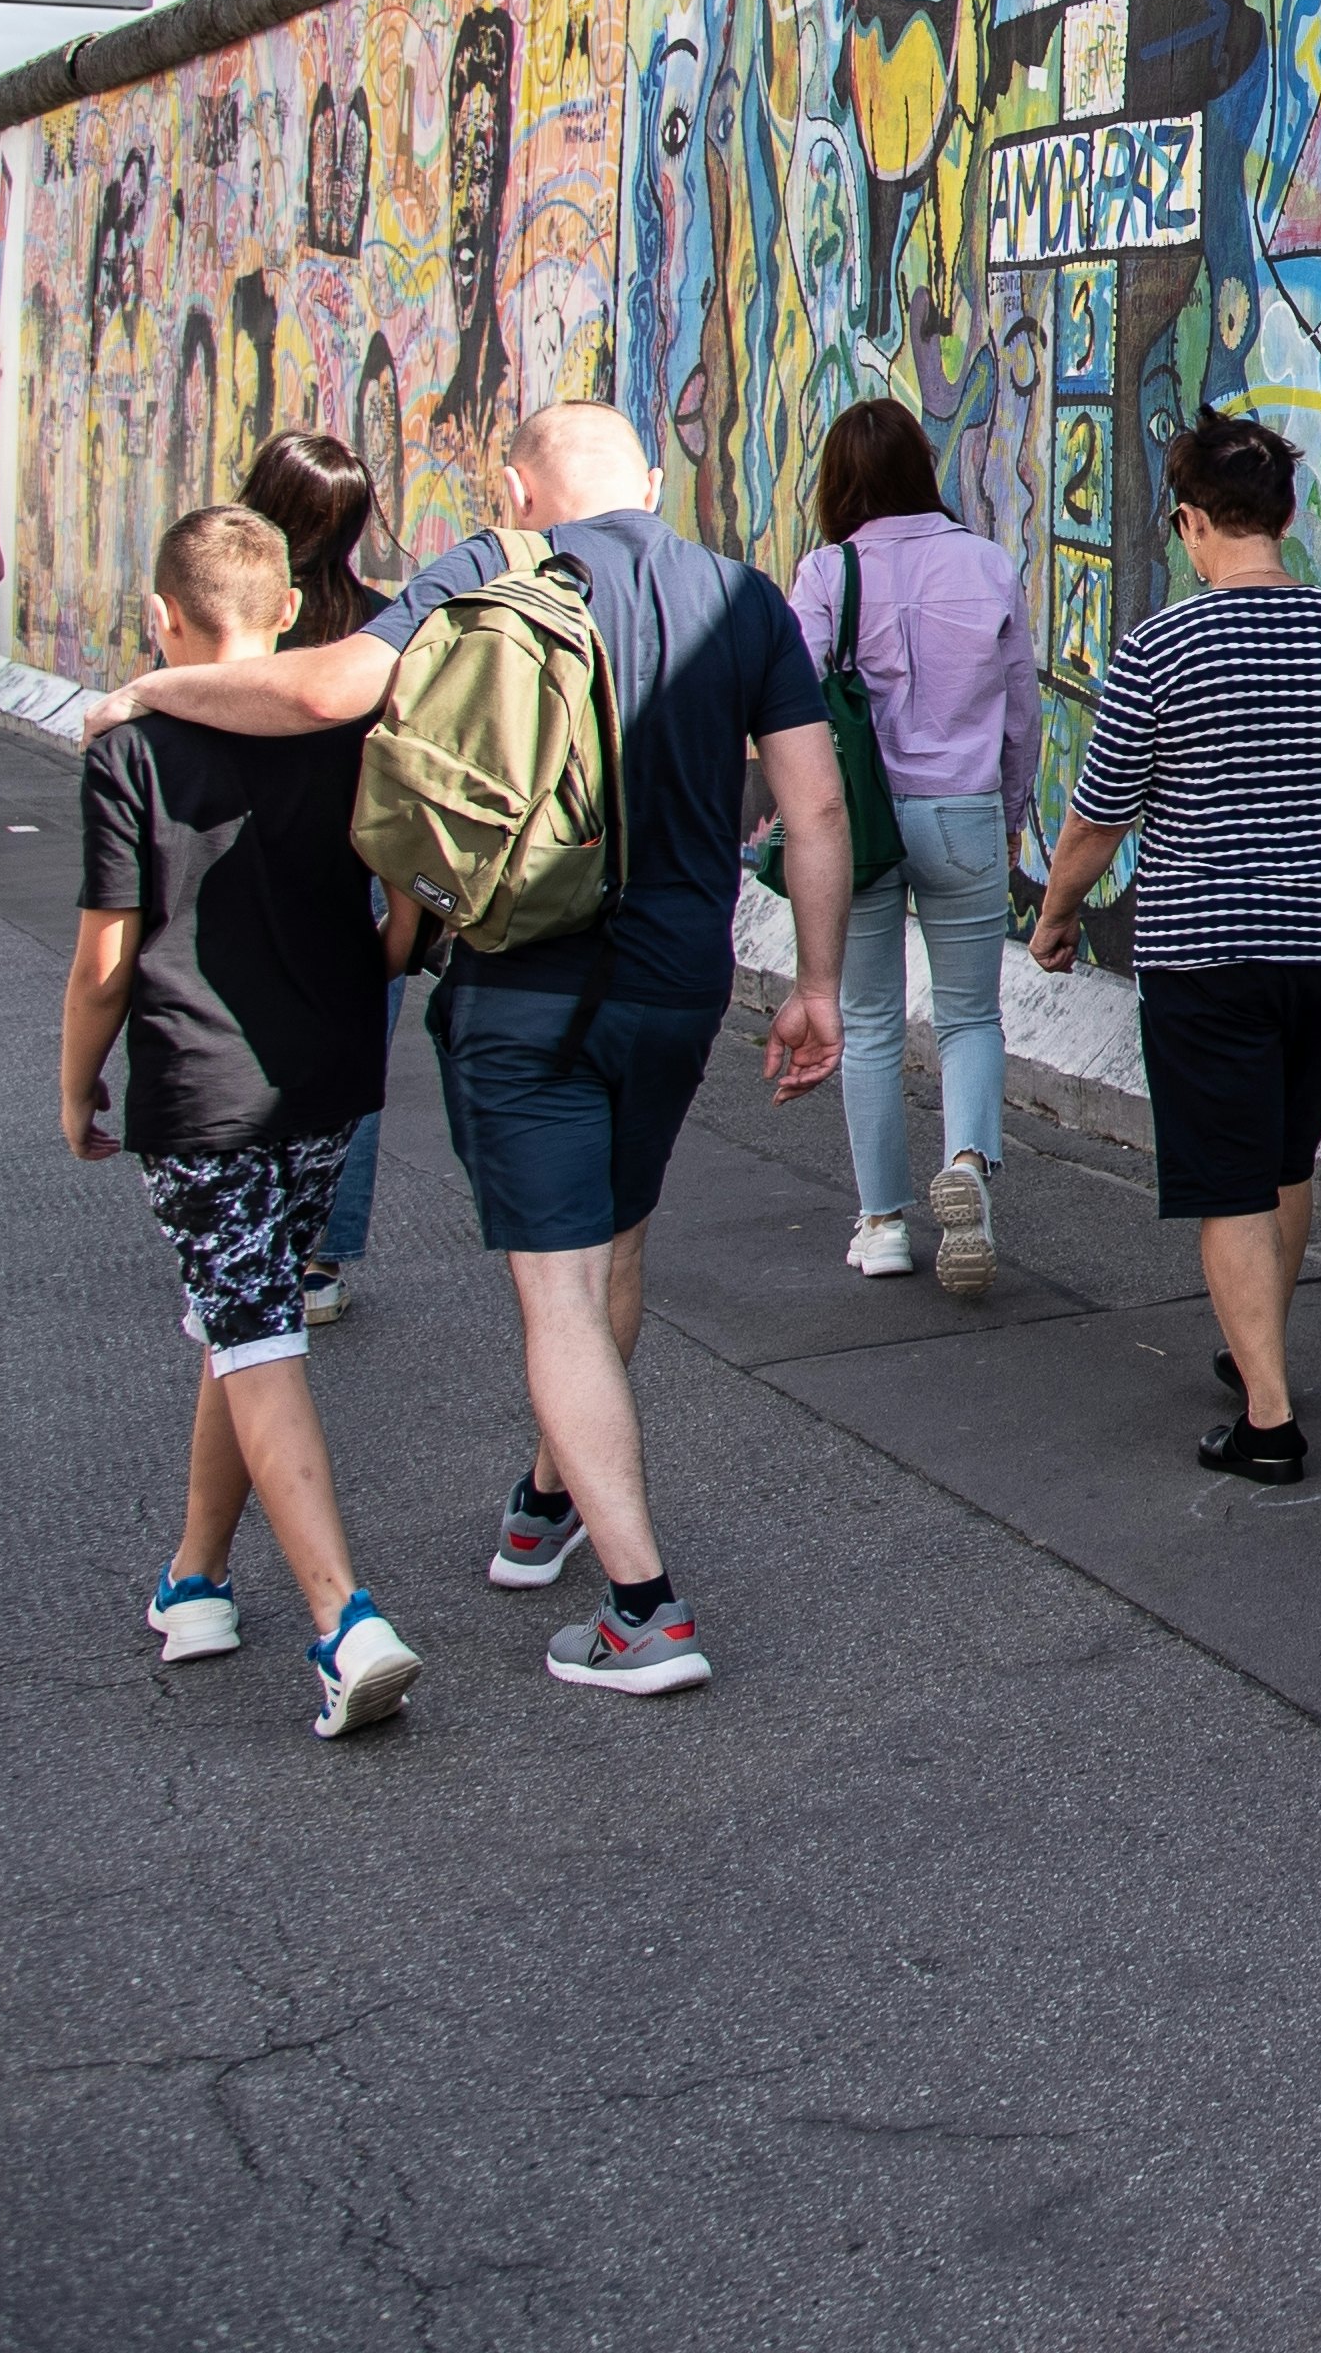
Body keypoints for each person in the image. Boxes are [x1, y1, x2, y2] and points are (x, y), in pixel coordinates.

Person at [95, 400, 840, 1700]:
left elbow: (333, 687)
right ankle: (551, 1496)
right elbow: (813, 802)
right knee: (613, 1245)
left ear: (519, 483)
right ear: (651, 479)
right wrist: (819, 983)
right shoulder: (744, 599)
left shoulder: (492, 567)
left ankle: (645, 1609)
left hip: (521, 983)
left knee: (555, 1288)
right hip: (676, 986)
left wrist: (157, 687)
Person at [1025, 415, 1321, 1484]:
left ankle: (1267, 1419)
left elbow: (1097, 814)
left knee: (1226, 1175)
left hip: (1208, 945)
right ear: (1286, 516)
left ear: (1187, 522)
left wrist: (1057, 912)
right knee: (1282, 1155)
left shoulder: (1160, 648)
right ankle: (1256, 1343)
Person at [58, 506, 421, 1741]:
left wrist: (75, 1082)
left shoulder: (131, 746)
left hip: (200, 1083)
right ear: (285, 612)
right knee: (245, 1306)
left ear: (162, 618)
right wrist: (380, 960)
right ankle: (197, 1578)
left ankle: (343, 1618)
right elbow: (404, 894)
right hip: (326, 1069)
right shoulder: (343, 726)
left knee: (255, 1325)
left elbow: (108, 957)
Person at [786, 397, 1035, 1295]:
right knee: (971, 1016)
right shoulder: (986, 562)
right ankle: (966, 1165)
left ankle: (884, 1223)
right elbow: (1021, 710)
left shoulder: (825, 574)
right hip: (964, 810)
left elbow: (794, 698)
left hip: (861, 825)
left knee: (868, 1024)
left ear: (840, 481)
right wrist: (1009, 812)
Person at [237, 430, 394, 1323]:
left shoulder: (236, 625)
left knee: (242, 1037)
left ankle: (251, 1230)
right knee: (352, 1061)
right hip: (362, 865)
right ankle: (320, 1260)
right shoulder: (383, 623)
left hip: (248, 861)